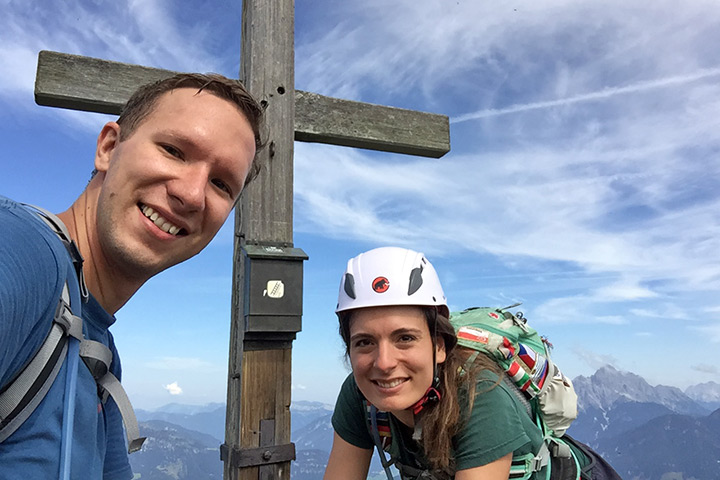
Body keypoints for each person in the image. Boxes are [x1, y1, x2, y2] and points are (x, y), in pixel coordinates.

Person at [0, 73, 264, 479]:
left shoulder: (97, 348)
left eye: (221, 183)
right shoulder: (20, 252)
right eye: (174, 150)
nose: (192, 194)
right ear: (108, 147)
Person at [324, 247, 622, 480]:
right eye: (364, 342)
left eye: (405, 338)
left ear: (439, 346)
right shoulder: (360, 394)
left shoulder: (480, 395)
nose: (384, 362)